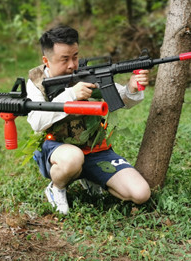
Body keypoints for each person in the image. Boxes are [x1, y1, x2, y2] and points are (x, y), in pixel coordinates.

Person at [27, 25, 151, 215]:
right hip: (58, 150)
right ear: (47, 60)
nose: (71, 65)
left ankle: (91, 175)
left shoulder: (85, 73)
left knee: (140, 193)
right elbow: (37, 121)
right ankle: (57, 188)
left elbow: (120, 98)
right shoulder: (37, 82)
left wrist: (131, 88)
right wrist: (71, 94)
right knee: (73, 158)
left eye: (75, 56)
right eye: (64, 59)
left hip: (95, 149)